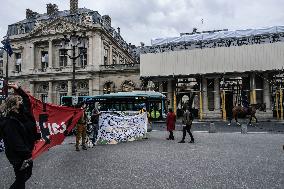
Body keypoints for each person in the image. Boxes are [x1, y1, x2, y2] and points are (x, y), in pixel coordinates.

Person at [0, 83, 40, 189]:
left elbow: (27, 100)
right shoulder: (9, 122)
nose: (22, 103)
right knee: (21, 179)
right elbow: (16, 143)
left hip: (26, 153)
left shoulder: (23, 114)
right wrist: (27, 156)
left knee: (26, 176)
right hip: (19, 157)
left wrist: (18, 89)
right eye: (19, 101)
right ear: (14, 106)